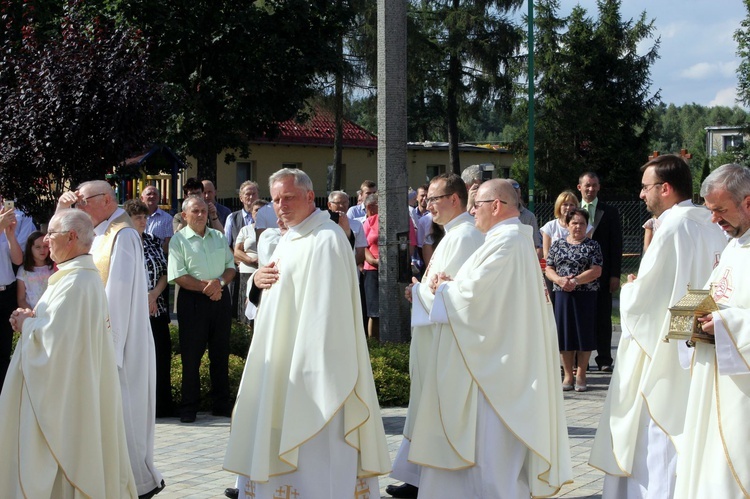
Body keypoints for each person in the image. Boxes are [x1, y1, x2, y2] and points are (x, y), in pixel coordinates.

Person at [223, 168, 390, 499]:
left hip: (313, 372)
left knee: (317, 454)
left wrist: (308, 367)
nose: (281, 205)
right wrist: (256, 283)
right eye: (276, 199)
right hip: (281, 361)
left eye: (288, 197)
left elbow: (328, 313)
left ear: (310, 197)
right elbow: (274, 294)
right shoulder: (290, 237)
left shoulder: (326, 239)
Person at [403, 179, 571, 498]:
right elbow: (480, 292)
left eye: (477, 204)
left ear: (496, 206)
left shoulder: (506, 243)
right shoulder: (507, 240)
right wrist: (451, 284)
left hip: (492, 375)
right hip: (497, 363)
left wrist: (435, 290)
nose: (471, 211)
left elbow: (472, 301)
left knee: (489, 464)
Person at [589, 154, 727, 498]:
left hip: (661, 348)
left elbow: (646, 300)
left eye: (645, 187)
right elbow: (692, 289)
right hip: (695, 339)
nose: (640, 195)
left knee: (653, 437)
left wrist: (632, 285)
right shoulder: (708, 221)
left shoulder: (673, 226)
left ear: (665, 189)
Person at [0, 209, 137, 497]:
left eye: (51, 234)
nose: (46, 240)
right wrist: (33, 319)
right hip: (75, 387)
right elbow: (58, 329)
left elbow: (54, 345)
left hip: (66, 398)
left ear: (71, 237)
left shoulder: (76, 283)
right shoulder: (74, 277)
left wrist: (26, 324)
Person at [56, 181, 164, 498]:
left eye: (82, 200)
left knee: (124, 413)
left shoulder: (123, 233)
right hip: (102, 340)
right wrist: (62, 210)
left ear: (105, 200)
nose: (79, 205)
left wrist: (108, 347)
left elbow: (117, 294)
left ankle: (135, 482)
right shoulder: (100, 230)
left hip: (122, 345)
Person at [387, 173, 484, 499]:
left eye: (434, 199)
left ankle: (426, 480)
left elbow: (456, 295)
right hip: (433, 335)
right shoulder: (453, 234)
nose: (428, 206)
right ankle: (418, 476)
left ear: (455, 199)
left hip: (448, 341)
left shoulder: (463, 236)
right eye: (427, 200)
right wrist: (423, 292)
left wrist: (421, 292)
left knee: (434, 410)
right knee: (424, 409)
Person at [674, 163, 750, 498]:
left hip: (741, 391)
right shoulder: (735, 244)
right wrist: (690, 315)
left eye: (720, 210)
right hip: (713, 377)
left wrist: (726, 323)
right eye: (710, 210)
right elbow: (716, 295)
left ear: (748, 202)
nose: (714, 219)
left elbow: (730, 313)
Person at [168, 196, 236, 423]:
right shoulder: (178, 241)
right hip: (193, 300)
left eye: (203, 212)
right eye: (195, 211)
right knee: (191, 356)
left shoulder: (218, 236)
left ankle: (221, 405)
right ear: (185, 215)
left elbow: (230, 267)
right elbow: (178, 275)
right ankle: (189, 408)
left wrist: (219, 284)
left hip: (220, 298)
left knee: (220, 353)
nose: (200, 215)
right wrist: (208, 288)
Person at [125, 199, 174, 419]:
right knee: (136, 360)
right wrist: (142, 298)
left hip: (157, 307)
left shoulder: (154, 241)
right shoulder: (121, 243)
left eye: (145, 217)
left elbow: (165, 272)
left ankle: (162, 405)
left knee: (161, 356)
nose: (143, 221)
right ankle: (136, 407)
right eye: (138, 217)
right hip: (132, 312)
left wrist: (153, 294)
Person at [545, 208, 602, 392]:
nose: (578, 227)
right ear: (567, 225)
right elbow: (549, 268)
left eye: (582, 223)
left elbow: (596, 270)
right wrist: (560, 280)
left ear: (587, 226)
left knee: (584, 334)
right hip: (562, 294)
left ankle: (581, 374)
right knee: (565, 335)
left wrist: (576, 281)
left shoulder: (593, 246)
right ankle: (568, 374)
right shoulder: (557, 245)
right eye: (574, 223)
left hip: (586, 294)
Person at [578, 172, 622, 371]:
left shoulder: (610, 212)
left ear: (599, 187)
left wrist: (614, 274)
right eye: (587, 185)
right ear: (580, 187)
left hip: (603, 275)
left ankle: (604, 359)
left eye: (594, 185)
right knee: (580, 318)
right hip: (577, 275)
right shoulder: (572, 209)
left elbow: (616, 245)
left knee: (603, 318)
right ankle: (581, 362)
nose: (591, 189)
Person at [0, 200, 34, 392]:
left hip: (6, 292)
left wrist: (10, 235)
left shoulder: (15, 216)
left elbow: (18, 259)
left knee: (4, 352)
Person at [225, 181, 260, 319]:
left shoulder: (268, 218)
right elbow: (227, 244)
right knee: (239, 309)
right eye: (247, 194)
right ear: (241, 198)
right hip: (238, 271)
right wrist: (238, 260)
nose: (251, 197)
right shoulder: (232, 218)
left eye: (254, 194)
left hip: (261, 270)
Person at [234, 199, 266, 320]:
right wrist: (251, 260)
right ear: (251, 213)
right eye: (256, 210)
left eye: (262, 210)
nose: (259, 213)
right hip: (248, 271)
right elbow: (237, 251)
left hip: (265, 272)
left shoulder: (274, 229)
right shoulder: (245, 230)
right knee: (247, 304)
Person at [15, 230, 54, 310]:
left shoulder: (53, 267)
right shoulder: (23, 271)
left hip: (51, 311)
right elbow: (21, 299)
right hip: (32, 313)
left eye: (45, 246)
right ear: (30, 248)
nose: (42, 250)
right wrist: (33, 314)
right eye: (38, 247)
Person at [328, 190, 366, 266]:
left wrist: (348, 267)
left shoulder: (357, 224)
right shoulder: (323, 224)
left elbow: (361, 253)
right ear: (329, 205)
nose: (342, 206)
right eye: (338, 203)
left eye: (345, 202)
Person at [540, 190, 582, 259]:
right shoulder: (549, 226)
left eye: (571, 205)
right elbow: (546, 254)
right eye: (565, 204)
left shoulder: (584, 226)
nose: (568, 208)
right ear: (559, 206)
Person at [508, 178, 543, 258]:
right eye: (510, 191)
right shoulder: (495, 215)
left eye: (516, 191)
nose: (513, 195)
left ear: (519, 193)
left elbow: (536, 245)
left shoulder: (529, 216)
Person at [362, 192, 380, 340]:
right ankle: (373, 344)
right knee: (374, 312)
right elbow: (363, 246)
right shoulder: (370, 221)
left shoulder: (400, 219)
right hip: (372, 269)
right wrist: (373, 261)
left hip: (392, 269)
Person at [141, 185, 173, 253]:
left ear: (158, 198)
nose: (152, 196)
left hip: (158, 258)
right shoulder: (136, 218)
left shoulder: (167, 218)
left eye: (155, 194)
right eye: (149, 194)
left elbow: (168, 243)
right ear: (142, 198)